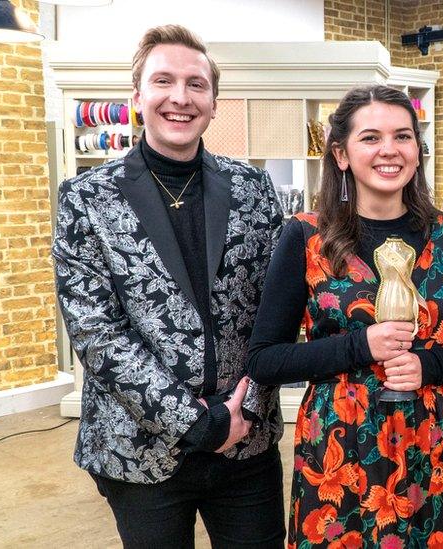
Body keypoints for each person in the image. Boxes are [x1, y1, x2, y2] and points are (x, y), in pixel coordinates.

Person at [53, 25, 285, 547]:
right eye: (163, 81)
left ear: (213, 102)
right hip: (139, 448)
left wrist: (241, 411)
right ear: (137, 96)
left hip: (245, 442)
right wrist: (197, 423)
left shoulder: (254, 187)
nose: (180, 97)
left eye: (196, 84)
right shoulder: (87, 198)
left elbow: (278, 310)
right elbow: (95, 331)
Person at [246, 85, 443, 547]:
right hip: (340, 451)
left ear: (417, 151)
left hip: (433, 442)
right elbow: (264, 360)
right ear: (341, 154)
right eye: (371, 138)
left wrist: (430, 365)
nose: (389, 150)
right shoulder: (306, 237)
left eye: (403, 136)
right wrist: (359, 346)